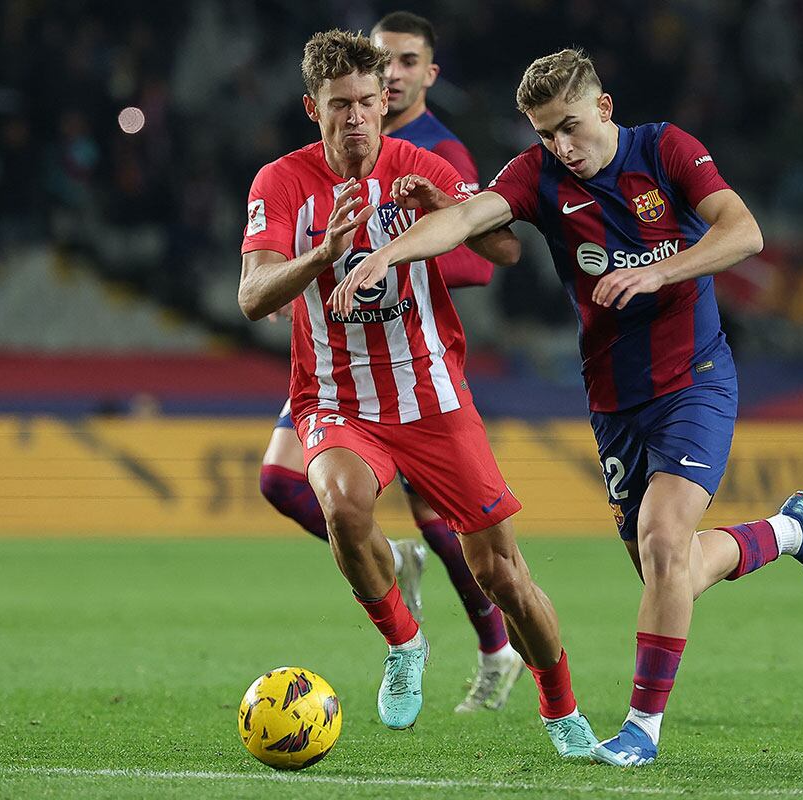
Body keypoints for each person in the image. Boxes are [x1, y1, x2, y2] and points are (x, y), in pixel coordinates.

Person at [330, 47, 803, 767]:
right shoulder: (539, 175)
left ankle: (640, 731)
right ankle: (789, 531)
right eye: (545, 134)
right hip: (612, 399)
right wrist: (392, 255)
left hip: (694, 377)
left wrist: (661, 269)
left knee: (666, 545)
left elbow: (743, 231)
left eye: (569, 127)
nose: (561, 147)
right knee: (673, 570)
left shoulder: (665, 150)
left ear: (603, 108)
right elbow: (473, 215)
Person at [238, 30, 597, 757]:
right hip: (338, 399)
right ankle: (405, 642)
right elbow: (250, 296)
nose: (357, 119)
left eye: (369, 102)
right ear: (314, 108)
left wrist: (443, 205)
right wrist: (320, 254)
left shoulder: (419, 164)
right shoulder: (280, 182)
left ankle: (562, 710)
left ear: (385, 101)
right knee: (339, 502)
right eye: (340, 105)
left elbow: (503, 249)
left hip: (433, 397)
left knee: (502, 573)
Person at [256, 11, 524, 713]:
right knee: (285, 483)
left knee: (448, 518)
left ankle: (495, 647)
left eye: (407, 61)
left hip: (414, 358)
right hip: (333, 362)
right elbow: (258, 284)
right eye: (385, 61)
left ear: (426, 75)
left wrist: (391, 265)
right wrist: (314, 270)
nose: (394, 74)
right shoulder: (313, 162)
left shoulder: (435, 153)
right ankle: (393, 564)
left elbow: (484, 257)